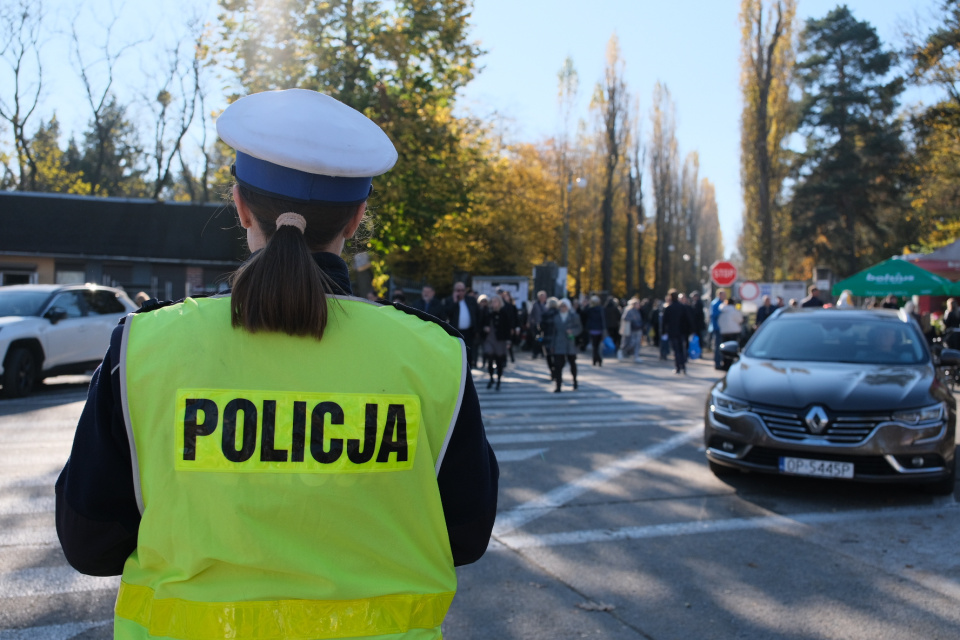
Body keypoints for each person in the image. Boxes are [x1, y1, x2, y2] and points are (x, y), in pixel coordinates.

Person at [55, 89, 498, 639]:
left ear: (239, 205)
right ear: (357, 218)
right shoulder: (434, 354)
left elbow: (89, 543)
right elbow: (467, 537)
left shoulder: (146, 346)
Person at [547, 298, 582, 392]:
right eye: (561, 306)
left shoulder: (574, 316)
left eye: (564, 306)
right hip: (559, 344)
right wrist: (552, 345)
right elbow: (553, 332)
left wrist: (573, 332)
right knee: (558, 365)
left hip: (570, 344)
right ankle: (558, 385)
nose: (563, 308)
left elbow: (579, 328)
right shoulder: (556, 317)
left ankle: (574, 381)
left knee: (572, 364)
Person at [446, 281, 479, 369]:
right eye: (458, 290)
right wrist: (455, 301)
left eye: (462, 290)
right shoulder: (450, 300)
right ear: (454, 291)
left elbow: (477, 314)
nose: (460, 292)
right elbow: (447, 314)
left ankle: (468, 371)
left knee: (468, 353)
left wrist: (476, 329)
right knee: (457, 352)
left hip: (469, 332)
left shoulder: (471, 300)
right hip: (456, 332)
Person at [482, 294, 511, 390]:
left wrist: (508, 341)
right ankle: (491, 378)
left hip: (500, 340)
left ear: (499, 303)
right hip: (489, 339)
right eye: (492, 301)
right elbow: (481, 323)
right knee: (489, 358)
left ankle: (498, 380)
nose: (494, 303)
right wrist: (484, 328)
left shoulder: (504, 313)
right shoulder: (487, 313)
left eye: (496, 301)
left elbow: (507, 328)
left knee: (499, 361)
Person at [661, 289, 693, 374]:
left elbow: (665, 322)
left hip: (673, 332)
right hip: (682, 332)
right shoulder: (682, 307)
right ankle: (683, 366)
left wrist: (664, 332)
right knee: (682, 349)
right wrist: (690, 330)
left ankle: (678, 366)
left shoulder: (669, 308)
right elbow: (688, 319)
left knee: (676, 350)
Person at [585, 295, 605, 366]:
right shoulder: (600, 309)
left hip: (592, 329)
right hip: (599, 329)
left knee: (594, 346)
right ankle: (598, 359)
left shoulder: (589, 309)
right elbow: (603, 320)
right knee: (597, 346)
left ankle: (595, 359)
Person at [710, 289, 727, 369]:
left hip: (723, 328)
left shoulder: (722, 303)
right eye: (723, 295)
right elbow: (714, 315)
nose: (725, 297)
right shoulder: (716, 304)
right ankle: (717, 363)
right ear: (719, 295)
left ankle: (721, 362)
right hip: (717, 328)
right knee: (718, 346)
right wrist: (723, 311)